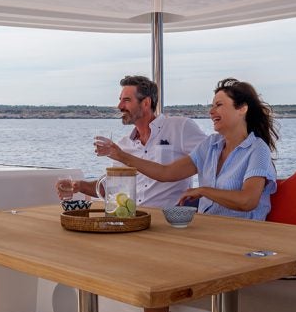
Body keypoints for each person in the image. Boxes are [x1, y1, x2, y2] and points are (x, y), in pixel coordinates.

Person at [60, 75, 206, 312]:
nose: (119, 106)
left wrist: (206, 199)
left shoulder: (180, 128)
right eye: (120, 100)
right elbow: (110, 187)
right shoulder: (125, 144)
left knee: (150, 266)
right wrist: (76, 185)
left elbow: (212, 159)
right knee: (74, 245)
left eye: (126, 100)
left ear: (146, 102)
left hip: (168, 223)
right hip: (133, 221)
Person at [96, 76, 278, 219]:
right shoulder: (210, 146)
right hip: (208, 230)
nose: (211, 111)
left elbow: (248, 201)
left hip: (244, 235)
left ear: (242, 109)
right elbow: (166, 173)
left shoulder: (257, 149)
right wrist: (121, 155)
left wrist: (202, 191)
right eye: (212, 105)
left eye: (219, 105)